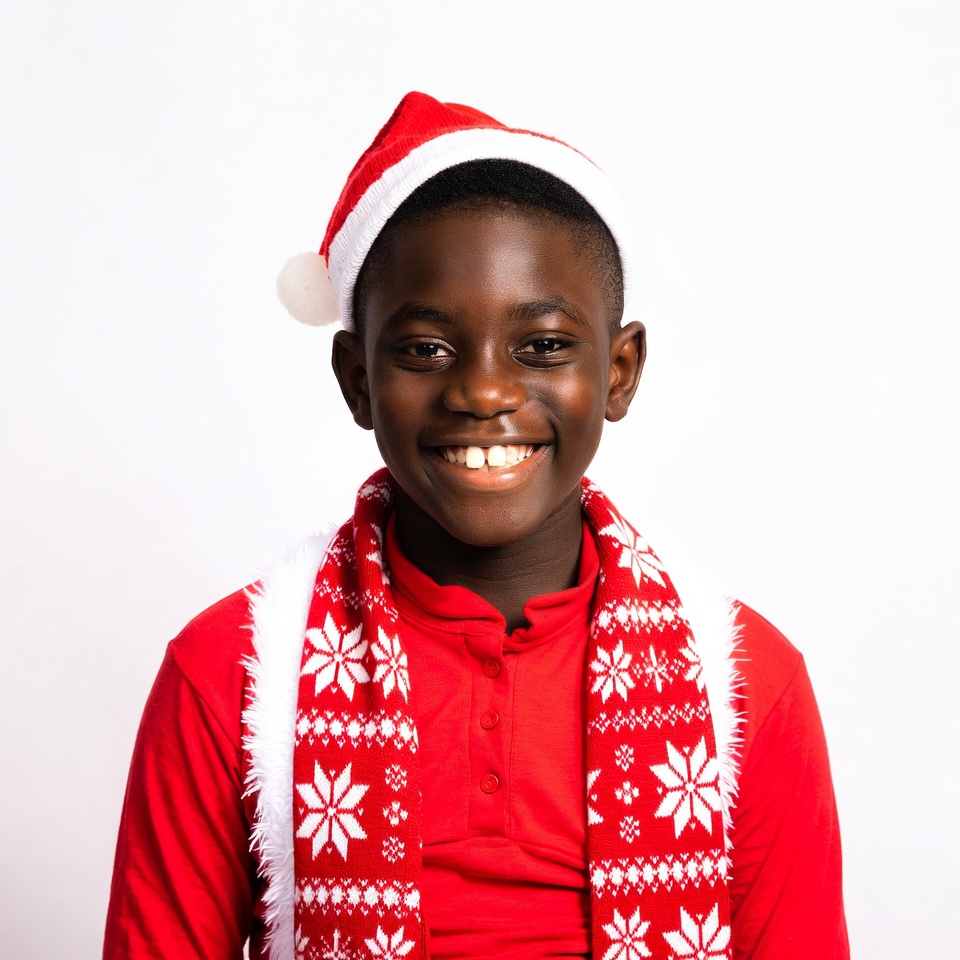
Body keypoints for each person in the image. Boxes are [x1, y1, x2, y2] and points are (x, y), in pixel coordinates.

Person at [103, 92, 848, 960]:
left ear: (619, 370)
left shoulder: (750, 686)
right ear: (356, 380)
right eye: (424, 349)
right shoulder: (228, 671)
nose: (484, 393)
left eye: (542, 347)